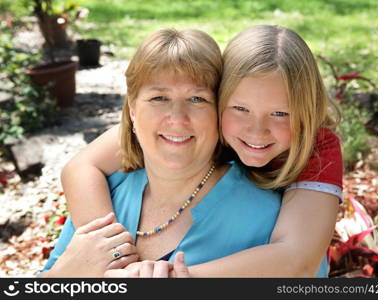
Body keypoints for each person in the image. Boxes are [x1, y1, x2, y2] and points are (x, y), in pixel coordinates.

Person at [58, 25, 342, 277]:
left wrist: (180, 278)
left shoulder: (317, 149)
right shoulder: (134, 167)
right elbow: (81, 166)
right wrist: (105, 253)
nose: (256, 130)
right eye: (240, 109)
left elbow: (297, 260)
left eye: (281, 113)